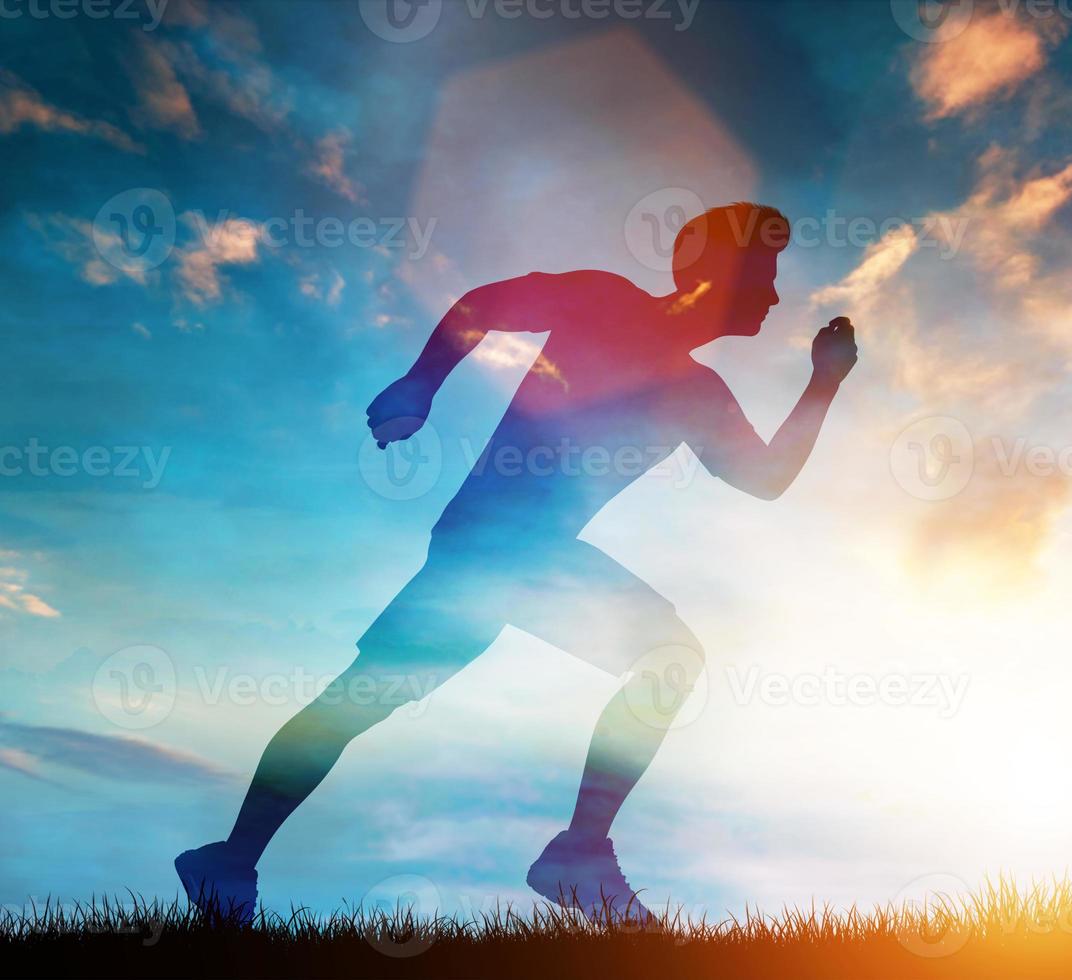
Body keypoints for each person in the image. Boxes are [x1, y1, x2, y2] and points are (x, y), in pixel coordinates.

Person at [175, 202, 859, 926]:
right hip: (492, 545)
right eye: (764, 274)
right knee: (656, 658)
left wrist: (825, 380)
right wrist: (420, 383)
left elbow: (765, 478)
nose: (777, 295)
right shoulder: (604, 301)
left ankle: (232, 861)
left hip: (525, 556)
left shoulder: (697, 394)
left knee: (358, 703)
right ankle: (575, 853)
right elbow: (484, 304)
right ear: (715, 273)